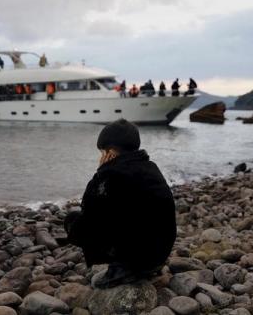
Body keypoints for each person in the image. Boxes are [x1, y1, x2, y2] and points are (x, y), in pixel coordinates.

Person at [64, 119, 176, 289]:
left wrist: (100, 172)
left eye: (102, 152)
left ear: (110, 152)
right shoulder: (150, 167)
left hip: (136, 259)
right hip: (159, 252)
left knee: (74, 220)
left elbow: (89, 211)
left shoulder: (111, 174)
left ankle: (121, 270)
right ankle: (143, 266)